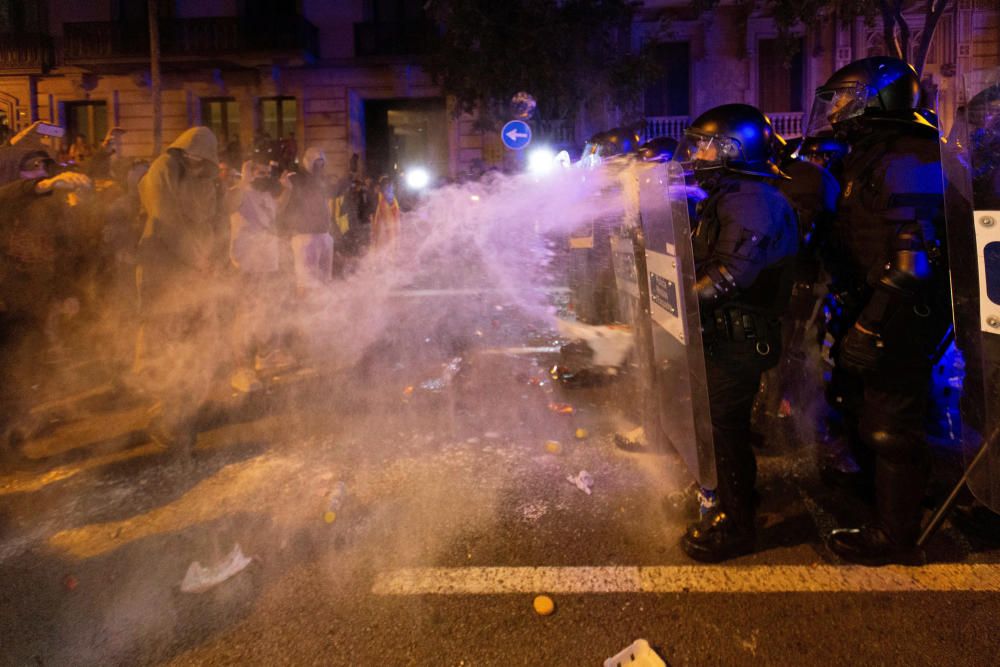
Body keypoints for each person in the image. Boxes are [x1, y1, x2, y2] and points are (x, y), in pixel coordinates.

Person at [807, 57, 951, 563]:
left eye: (847, 96)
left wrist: (872, 323)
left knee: (891, 421)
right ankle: (885, 500)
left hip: (900, 312)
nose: (837, 108)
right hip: (868, 301)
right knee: (859, 405)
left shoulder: (910, 159)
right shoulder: (869, 154)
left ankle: (896, 537)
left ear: (879, 98)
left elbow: (912, 262)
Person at [674, 104, 799, 562]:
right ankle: (728, 498)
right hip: (727, 331)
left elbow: (728, 274)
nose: (699, 153)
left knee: (726, 427)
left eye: (708, 144)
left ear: (735, 148)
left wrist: (677, 299)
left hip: (740, 336)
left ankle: (738, 525)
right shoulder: (733, 194)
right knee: (719, 424)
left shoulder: (752, 200)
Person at [135, 126, 223, 458]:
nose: (200, 166)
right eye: (196, 160)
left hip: (196, 272)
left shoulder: (206, 179)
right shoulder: (163, 169)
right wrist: (196, 257)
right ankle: (164, 417)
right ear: (186, 153)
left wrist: (216, 258)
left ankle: (186, 409)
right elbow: (165, 219)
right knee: (166, 342)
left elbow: (216, 223)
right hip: (164, 272)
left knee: (195, 340)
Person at [226, 155, 293, 392]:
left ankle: (264, 356)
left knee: (264, 312)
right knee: (244, 316)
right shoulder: (239, 192)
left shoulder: (266, 195)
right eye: (259, 173)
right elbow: (227, 205)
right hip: (246, 264)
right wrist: (243, 182)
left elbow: (276, 214)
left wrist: (286, 190)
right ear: (248, 173)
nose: (264, 177)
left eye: (267, 173)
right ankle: (240, 369)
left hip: (268, 263)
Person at [280, 146, 334, 294]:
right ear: (309, 162)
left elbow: (330, 198)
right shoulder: (297, 178)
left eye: (322, 163)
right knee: (305, 284)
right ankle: (303, 314)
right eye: (317, 162)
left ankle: (322, 314)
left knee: (324, 282)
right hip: (305, 236)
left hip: (323, 234)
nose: (320, 166)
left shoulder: (320, 181)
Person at [370, 175, 401, 254]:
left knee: (384, 244)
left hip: (386, 227)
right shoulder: (385, 198)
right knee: (386, 244)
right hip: (386, 227)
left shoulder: (385, 198)